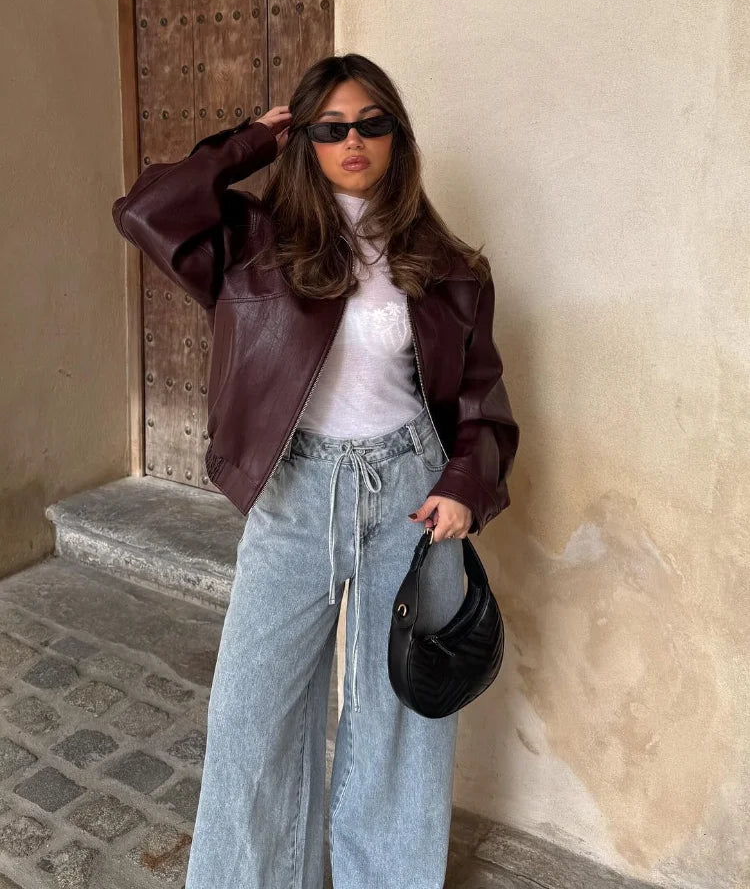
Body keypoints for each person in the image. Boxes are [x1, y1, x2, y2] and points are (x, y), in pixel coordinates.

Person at [112, 53, 519, 889]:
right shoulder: (253, 244)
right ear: (305, 140)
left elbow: (484, 403)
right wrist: (246, 143)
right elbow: (145, 210)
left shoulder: (448, 266)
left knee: (397, 721)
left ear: (397, 136)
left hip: (412, 498)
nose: (352, 141)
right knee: (250, 716)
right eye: (330, 128)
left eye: (371, 123)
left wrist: (463, 489)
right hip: (296, 494)